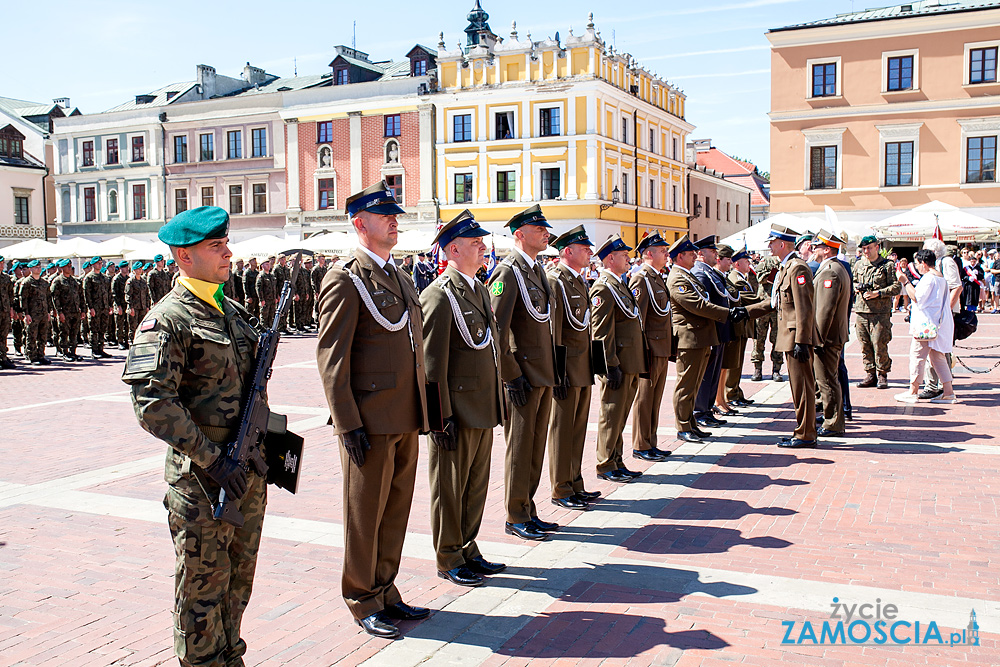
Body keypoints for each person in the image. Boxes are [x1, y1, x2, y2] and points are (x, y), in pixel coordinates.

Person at [122, 206, 267, 667]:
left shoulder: (233, 310)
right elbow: (153, 404)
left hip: (244, 477)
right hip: (203, 484)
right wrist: (211, 457)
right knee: (201, 596)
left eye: (226, 243)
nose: (228, 253)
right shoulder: (168, 319)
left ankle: (231, 658)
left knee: (238, 585)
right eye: (215, 246)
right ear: (184, 257)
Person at [315, 181, 430, 639]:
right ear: (361, 223)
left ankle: (385, 588)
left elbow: (414, 348)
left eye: (395, 214)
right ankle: (362, 598)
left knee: (396, 508)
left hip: (404, 413)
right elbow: (331, 358)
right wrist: (347, 423)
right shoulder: (345, 277)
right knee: (365, 514)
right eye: (386, 215)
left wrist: (427, 409)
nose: (395, 220)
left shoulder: (400, 276)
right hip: (369, 419)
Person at [419, 210, 506, 588]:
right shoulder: (439, 295)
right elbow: (431, 362)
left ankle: (468, 546)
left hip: (483, 405)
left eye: (482, 243)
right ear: (453, 249)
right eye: (475, 244)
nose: (483, 249)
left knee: (475, 485)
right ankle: (449, 554)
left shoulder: (479, 289)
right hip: (456, 410)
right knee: (450, 489)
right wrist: (440, 417)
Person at [487, 204, 559, 542]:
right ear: (519, 234)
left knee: (534, 445)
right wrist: (510, 375)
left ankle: (528, 508)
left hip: (542, 373)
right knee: (519, 447)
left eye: (545, 229)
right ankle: (515, 514)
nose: (546, 233)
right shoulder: (507, 273)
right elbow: (496, 332)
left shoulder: (536, 270)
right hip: (523, 376)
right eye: (538, 229)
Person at [748, 225, 819, 447]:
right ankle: (802, 430)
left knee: (803, 387)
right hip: (790, 337)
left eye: (772, 243)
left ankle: (806, 434)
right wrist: (746, 311)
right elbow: (776, 303)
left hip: (796, 338)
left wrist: (801, 340)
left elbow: (804, 308)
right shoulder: (786, 267)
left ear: (781, 244)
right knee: (798, 388)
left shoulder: (797, 268)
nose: (769, 246)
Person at [546, 225, 601, 509]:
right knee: (562, 430)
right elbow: (554, 330)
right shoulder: (556, 281)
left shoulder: (579, 280)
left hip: (582, 366)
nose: (590, 252)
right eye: (584, 248)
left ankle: (574, 481)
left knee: (577, 429)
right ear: (568, 252)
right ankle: (560, 487)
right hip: (567, 368)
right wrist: (558, 371)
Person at [667, 236, 741, 443]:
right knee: (686, 385)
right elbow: (698, 305)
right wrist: (728, 313)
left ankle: (690, 423)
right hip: (689, 339)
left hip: (700, 338)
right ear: (680, 256)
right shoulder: (678, 278)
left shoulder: (688, 276)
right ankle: (683, 426)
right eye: (690, 254)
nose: (694, 257)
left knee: (694, 384)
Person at [590, 234, 646, 483]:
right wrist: (607, 367)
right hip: (617, 363)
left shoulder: (620, 284)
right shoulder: (604, 286)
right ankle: (605, 463)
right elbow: (599, 332)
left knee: (620, 415)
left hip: (629, 361)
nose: (629, 259)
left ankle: (616, 459)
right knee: (611, 415)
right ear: (610, 259)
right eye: (624, 255)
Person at [629, 232, 673, 462]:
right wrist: (642, 352)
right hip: (649, 350)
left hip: (662, 348)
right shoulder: (641, 279)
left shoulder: (656, 277)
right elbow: (639, 320)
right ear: (648, 254)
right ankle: (640, 444)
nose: (667, 253)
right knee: (645, 400)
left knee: (655, 399)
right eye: (662, 250)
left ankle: (651, 441)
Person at [894, 249, 958, 404]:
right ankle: (948, 392)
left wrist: (905, 281)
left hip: (925, 325)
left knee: (917, 357)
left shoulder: (929, 278)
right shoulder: (940, 278)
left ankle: (913, 391)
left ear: (923, 263)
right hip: (936, 325)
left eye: (917, 264)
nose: (917, 267)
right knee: (938, 358)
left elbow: (917, 297)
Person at [691, 236, 738, 430]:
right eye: (712, 251)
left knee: (714, 372)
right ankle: (700, 411)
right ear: (701, 254)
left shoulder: (711, 273)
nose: (716, 254)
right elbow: (705, 304)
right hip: (712, 330)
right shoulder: (701, 273)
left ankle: (707, 410)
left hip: (719, 330)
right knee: (706, 374)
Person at [811, 231, 851, 437]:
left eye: (817, 246)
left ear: (827, 249)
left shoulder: (830, 271)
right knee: (828, 378)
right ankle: (831, 416)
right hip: (832, 335)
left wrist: (817, 338)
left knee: (826, 379)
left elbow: (825, 310)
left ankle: (833, 422)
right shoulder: (834, 267)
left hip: (827, 336)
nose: (813, 248)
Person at [854, 235, 900, 389]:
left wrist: (878, 293)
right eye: (864, 248)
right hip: (861, 311)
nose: (866, 251)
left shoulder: (887, 265)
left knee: (880, 344)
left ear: (877, 247)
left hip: (880, 312)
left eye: (869, 248)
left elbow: (896, 287)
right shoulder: (859, 264)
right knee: (864, 345)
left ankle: (882, 374)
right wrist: (856, 287)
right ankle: (870, 373)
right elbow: (853, 281)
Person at [921, 238, 963, 399]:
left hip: (942, 315)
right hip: (934, 314)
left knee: (940, 350)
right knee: (932, 349)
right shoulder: (936, 265)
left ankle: (939, 386)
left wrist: (945, 310)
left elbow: (956, 286)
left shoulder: (947, 262)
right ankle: (935, 385)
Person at [724, 248, 761, 407]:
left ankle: (736, 391)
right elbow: (750, 299)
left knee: (738, 362)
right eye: (746, 261)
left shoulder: (741, 277)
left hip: (742, 325)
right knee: (734, 362)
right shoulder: (735, 279)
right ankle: (731, 393)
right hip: (737, 325)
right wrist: (765, 299)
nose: (749, 264)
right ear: (737, 263)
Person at [751, 252, 783, 381]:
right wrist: (776, 273)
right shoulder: (765, 262)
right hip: (763, 305)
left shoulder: (785, 263)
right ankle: (757, 369)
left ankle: (776, 370)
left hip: (777, 307)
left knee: (778, 340)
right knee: (758, 339)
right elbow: (761, 278)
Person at [18, 259, 52, 365]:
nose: (38, 269)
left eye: (39, 267)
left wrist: (48, 312)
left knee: (42, 335)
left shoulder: (44, 283)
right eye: (36, 267)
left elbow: (48, 298)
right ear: (31, 269)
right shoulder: (27, 282)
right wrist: (26, 314)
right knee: (31, 335)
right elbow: (23, 299)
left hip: (43, 313)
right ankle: (31, 356)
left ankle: (41, 355)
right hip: (32, 313)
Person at [50, 259, 83, 361]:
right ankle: (64, 352)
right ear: (62, 268)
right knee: (64, 333)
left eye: (70, 266)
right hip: (65, 312)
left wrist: (83, 310)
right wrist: (59, 312)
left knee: (74, 333)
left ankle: (73, 352)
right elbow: (55, 298)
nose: (70, 268)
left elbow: (80, 296)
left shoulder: (74, 281)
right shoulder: (58, 281)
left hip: (75, 311)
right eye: (68, 266)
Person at [83, 256, 113, 359]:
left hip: (104, 307)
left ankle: (101, 349)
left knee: (102, 329)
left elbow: (108, 293)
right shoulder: (89, 278)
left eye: (101, 263)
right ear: (93, 265)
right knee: (94, 329)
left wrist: (109, 305)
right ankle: (94, 350)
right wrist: (90, 307)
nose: (100, 265)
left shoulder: (104, 278)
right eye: (98, 263)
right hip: (95, 308)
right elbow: (87, 294)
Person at [125, 261, 152, 340]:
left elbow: (147, 294)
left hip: (142, 307)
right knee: (133, 327)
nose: (139, 271)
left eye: (140, 269)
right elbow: (128, 295)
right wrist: (130, 307)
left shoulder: (143, 281)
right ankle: (131, 342)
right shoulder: (131, 281)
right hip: (134, 307)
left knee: (142, 326)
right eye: (137, 269)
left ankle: (140, 341)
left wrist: (147, 306)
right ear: (134, 270)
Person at [0, 256, 15, 369]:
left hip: (4, 310)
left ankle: (3, 358)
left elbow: (10, 294)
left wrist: (11, 309)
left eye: (2, 263)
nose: (2, 265)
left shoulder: (6, 278)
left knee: (3, 335)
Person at [256, 257, 277, 327]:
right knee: (264, 317)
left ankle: (270, 330)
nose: (268, 266)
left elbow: (274, 287)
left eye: (269, 264)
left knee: (271, 316)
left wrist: (275, 297)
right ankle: (264, 331)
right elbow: (259, 288)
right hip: (265, 300)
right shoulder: (261, 276)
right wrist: (261, 300)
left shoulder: (271, 275)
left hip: (272, 300)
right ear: (262, 266)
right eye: (266, 264)